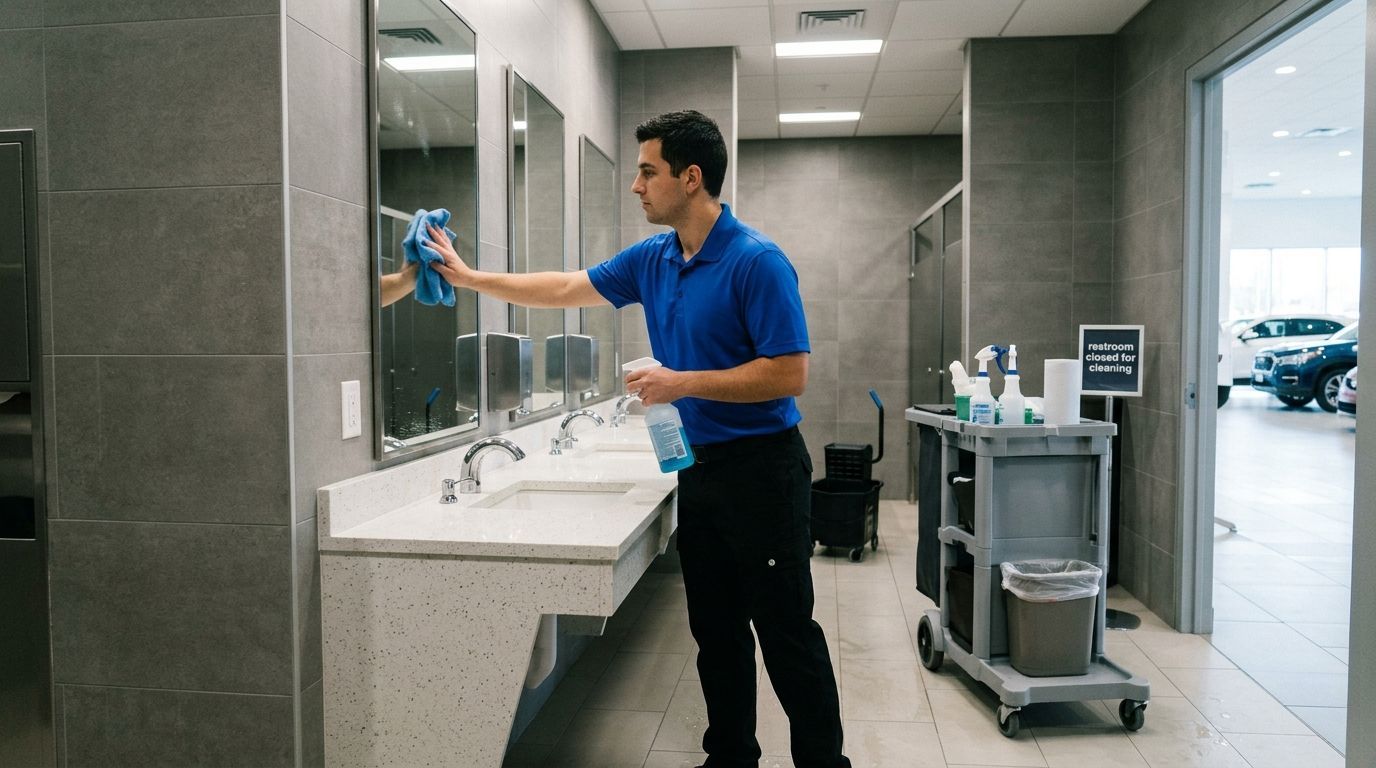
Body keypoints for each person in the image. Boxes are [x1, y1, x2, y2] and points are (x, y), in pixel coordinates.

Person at [423, 109, 849, 768]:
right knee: (716, 633)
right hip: (700, 469)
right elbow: (567, 286)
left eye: (648, 172)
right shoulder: (655, 258)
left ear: (691, 177)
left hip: (764, 472)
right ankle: (730, 758)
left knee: (786, 633)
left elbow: (789, 373)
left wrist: (681, 383)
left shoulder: (756, 261)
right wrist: (471, 278)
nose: (636, 186)